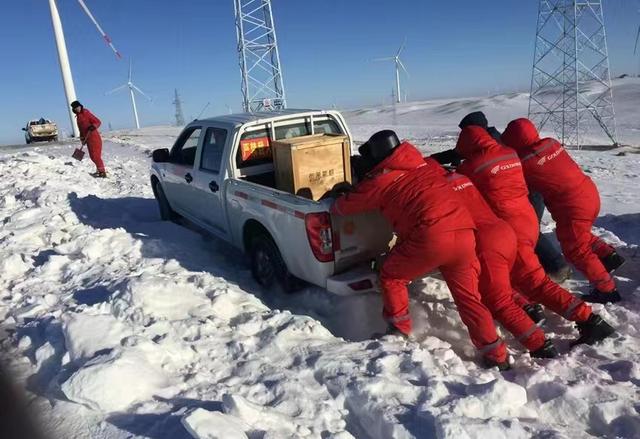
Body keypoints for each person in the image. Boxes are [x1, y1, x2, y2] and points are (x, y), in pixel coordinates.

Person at [332, 130, 509, 369]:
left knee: (392, 275)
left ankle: (398, 330)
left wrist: (343, 192)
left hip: (431, 237)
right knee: (469, 298)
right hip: (465, 232)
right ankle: (497, 355)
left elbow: (341, 209)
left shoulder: (380, 180)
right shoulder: (424, 165)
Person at [455, 125, 615, 345]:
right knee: (516, 275)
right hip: (528, 221)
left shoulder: (471, 167)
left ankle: (588, 320)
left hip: (512, 229)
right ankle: (529, 307)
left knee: (536, 283)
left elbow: (460, 181)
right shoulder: (510, 154)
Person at [432, 111, 572, 283]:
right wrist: (432, 159)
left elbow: (469, 161)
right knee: (527, 231)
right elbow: (457, 153)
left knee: (525, 233)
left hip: (524, 190)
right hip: (519, 190)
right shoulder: (487, 138)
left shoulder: (491, 141)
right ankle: (547, 268)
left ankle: (548, 272)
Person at [502, 118, 624, 304]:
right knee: (577, 233)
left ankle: (607, 290)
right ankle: (609, 256)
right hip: (588, 193)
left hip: (573, 205)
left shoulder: (525, 162)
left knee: (576, 249)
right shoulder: (552, 143)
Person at [446, 171, 557, 358]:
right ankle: (528, 308)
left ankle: (539, 344)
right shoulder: (460, 177)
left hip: (485, 240)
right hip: (504, 231)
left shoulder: (435, 188)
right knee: (498, 285)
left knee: (497, 301)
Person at [71, 100, 106, 178]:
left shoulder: (86, 113)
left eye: (78, 107)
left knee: (95, 156)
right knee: (93, 156)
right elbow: (81, 130)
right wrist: (82, 139)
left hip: (94, 137)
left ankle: (102, 172)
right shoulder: (78, 117)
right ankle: (99, 170)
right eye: (75, 108)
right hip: (87, 139)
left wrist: (93, 126)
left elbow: (98, 121)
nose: (77, 109)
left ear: (80, 106)